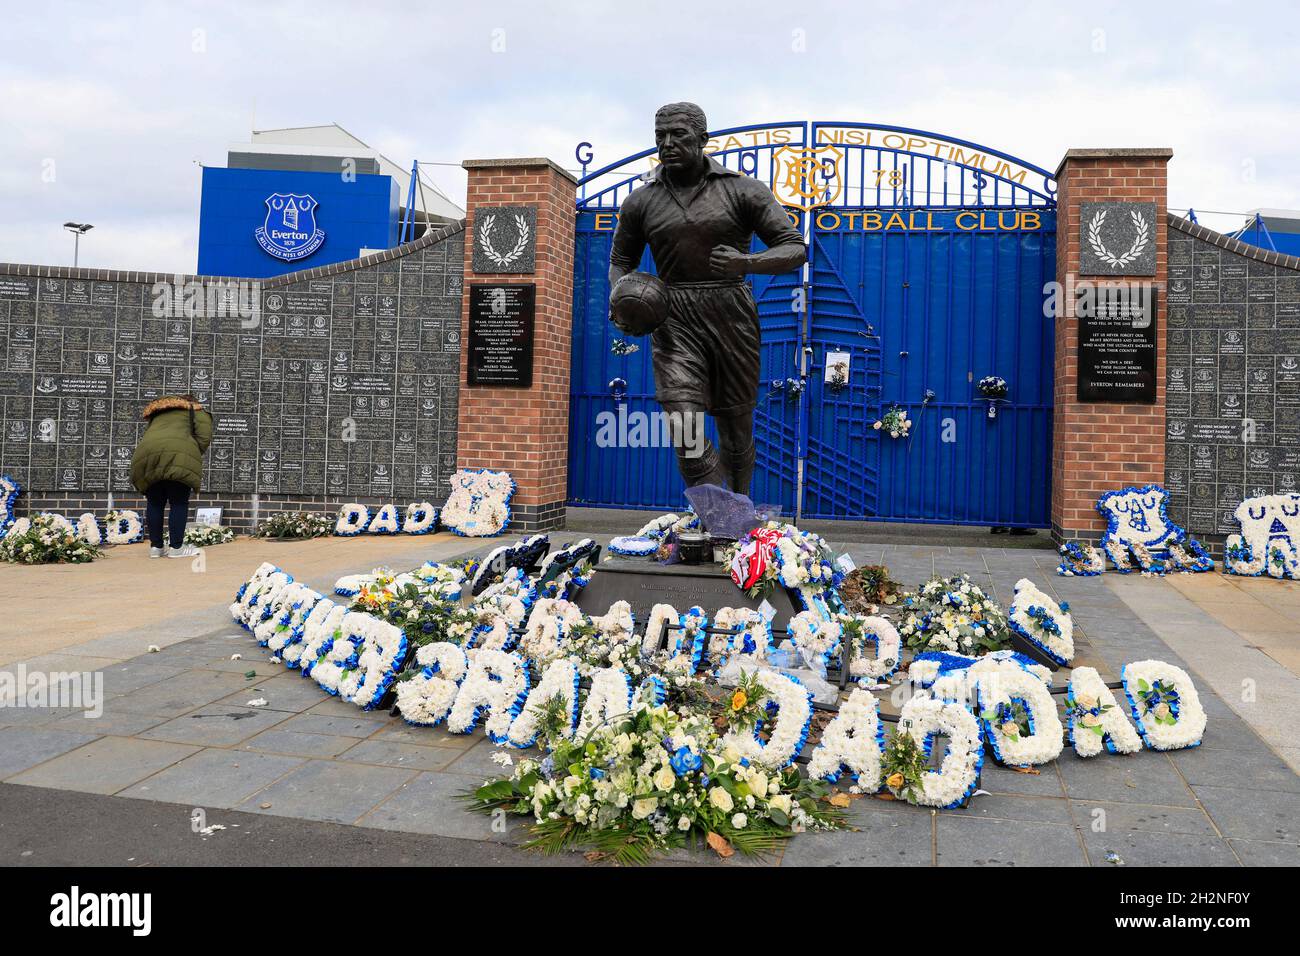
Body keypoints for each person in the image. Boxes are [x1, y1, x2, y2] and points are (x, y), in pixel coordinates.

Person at [608, 102, 806, 497]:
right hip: (674, 318)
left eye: (677, 134)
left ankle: (739, 507)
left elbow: (794, 248)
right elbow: (620, 263)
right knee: (684, 425)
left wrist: (746, 262)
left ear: (702, 139)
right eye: (659, 136)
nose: (667, 143)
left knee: (735, 425)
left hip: (731, 313)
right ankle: (720, 516)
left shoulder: (743, 190)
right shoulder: (640, 201)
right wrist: (623, 300)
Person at [129, 394, 213, 558]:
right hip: (178, 454)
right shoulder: (197, 411)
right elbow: (204, 437)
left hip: (147, 455)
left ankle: (156, 547)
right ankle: (176, 548)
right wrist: (190, 453)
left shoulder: (159, 413)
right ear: (193, 402)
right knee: (178, 501)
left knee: (155, 502)